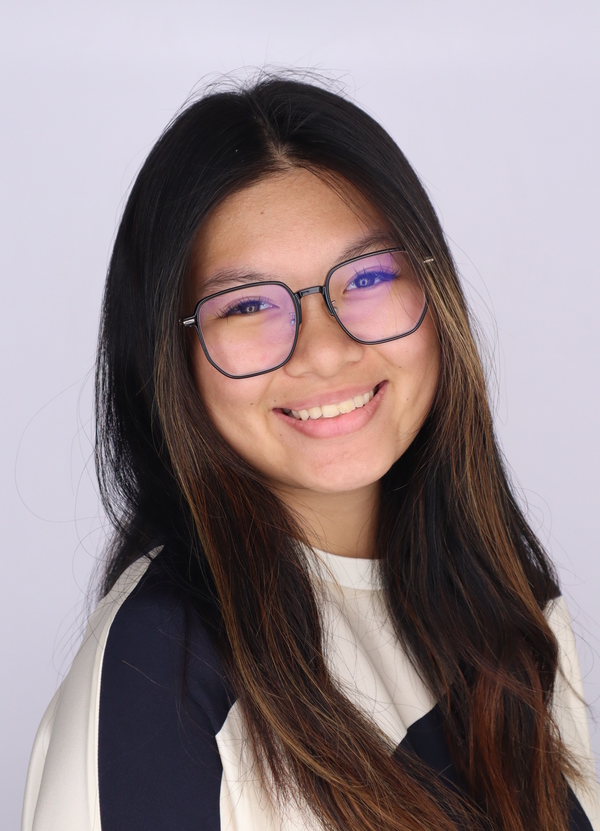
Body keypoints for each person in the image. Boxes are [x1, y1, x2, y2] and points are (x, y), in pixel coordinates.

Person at [21, 75, 599, 831]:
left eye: (367, 277)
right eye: (249, 305)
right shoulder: (160, 669)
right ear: (169, 358)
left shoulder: (513, 609)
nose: (326, 352)